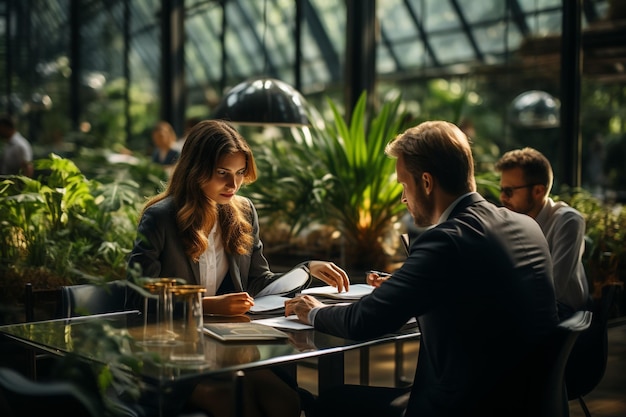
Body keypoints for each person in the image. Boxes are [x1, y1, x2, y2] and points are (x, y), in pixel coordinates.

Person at [285, 120, 559, 417]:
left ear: (426, 183)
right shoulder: (526, 225)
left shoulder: (446, 240)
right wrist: (406, 283)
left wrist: (313, 310)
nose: (403, 197)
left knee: (330, 402)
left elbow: (365, 321)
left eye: (404, 184)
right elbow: (479, 293)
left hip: (461, 406)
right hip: (527, 402)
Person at [128, 119, 349, 416]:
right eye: (222, 174)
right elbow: (137, 296)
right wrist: (207, 305)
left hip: (227, 349)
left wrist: (307, 269)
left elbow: (258, 282)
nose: (233, 185)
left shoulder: (242, 211)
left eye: (240, 173)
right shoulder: (160, 218)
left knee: (286, 402)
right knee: (235, 403)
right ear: (196, 170)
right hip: (173, 358)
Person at [495, 147, 590, 320]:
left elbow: (554, 289)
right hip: (528, 310)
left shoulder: (568, 221)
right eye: (501, 189)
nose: (502, 198)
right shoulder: (510, 220)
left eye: (509, 191)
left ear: (538, 191)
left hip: (564, 314)